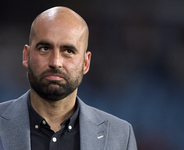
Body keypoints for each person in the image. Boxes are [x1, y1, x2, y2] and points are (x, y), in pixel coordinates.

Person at [0, 6, 137, 150]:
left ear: (86, 63)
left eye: (68, 51)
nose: (55, 62)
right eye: (45, 48)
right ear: (26, 56)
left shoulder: (120, 136)